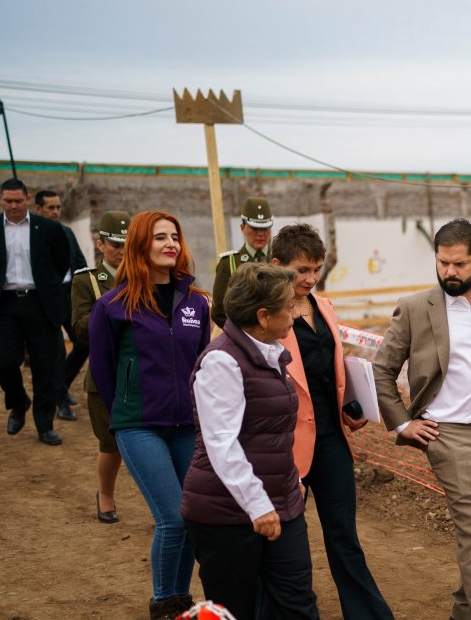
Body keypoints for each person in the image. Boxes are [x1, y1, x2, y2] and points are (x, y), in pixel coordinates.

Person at [375, 218, 471, 620]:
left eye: (459, 264)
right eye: (442, 263)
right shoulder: (414, 309)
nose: (449, 272)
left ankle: (464, 610)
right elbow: (382, 369)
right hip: (448, 435)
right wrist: (403, 423)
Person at [88, 211, 210, 619]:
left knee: (193, 517)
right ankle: (163, 602)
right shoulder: (112, 305)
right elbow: (103, 372)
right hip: (139, 425)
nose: (170, 243)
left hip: (187, 426)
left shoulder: (196, 302)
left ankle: (181, 600)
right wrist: (126, 412)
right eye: (160, 237)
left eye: (174, 236)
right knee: (172, 517)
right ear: (141, 244)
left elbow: (202, 364)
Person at [182, 263, 320, 620]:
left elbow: (271, 434)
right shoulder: (221, 362)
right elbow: (222, 444)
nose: (294, 314)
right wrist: (258, 505)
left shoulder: (271, 352)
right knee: (235, 610)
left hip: (283, 501)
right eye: (288, 307)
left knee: (297, 604)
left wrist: (288, 487)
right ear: (263, 315)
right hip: (226, 512)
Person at [271, 224, 394, 618]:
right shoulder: (264, 315)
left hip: (331, 438)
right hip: (284, 445)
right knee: (286, 541)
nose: (310, 278)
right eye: (301, 270)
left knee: (343, 535)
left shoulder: (323, 306)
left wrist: (350, 405)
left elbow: (329, 369)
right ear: (277, 265)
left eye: (316, 269)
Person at [0, 178, 71, 445]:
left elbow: (61, 262)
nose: (13, 205)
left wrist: (46, 287)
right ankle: (18, 402)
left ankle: (44, 425)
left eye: (18, 200)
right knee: (3, 362)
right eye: (8, 201)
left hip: (40, 303)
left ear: (27, 199)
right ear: (0, 200)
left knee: (45, 368)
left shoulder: (49, 228)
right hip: (3, 304)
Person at [71, 210, 131, 523]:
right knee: (112, 444)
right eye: (115, 244)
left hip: (144, 371)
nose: (121, 250)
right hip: (106, 376)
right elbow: (79, 327)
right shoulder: (88, 281)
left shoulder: (147, 278)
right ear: (100, 244)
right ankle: (105, 494)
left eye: (127, 244)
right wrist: (109, 312)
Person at [33, 189, 89, 421]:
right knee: (54, 352)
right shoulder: (31, 237)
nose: (56, 211)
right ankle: (61, 400)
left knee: (83, 344)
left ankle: (61, 389)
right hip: (43, 301)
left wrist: (85, 289)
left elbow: (79, 261)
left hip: (69, 296)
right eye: (50, 208)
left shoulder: (66, 232)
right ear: (38, 209)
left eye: (58, 207)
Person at [212, 196, 274, 328]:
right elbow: (218, 312)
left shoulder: (280, 261)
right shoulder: (229, 264)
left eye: (265, 228)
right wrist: (242, 336)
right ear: (242, 227)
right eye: (255, 228)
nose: (260, 234)